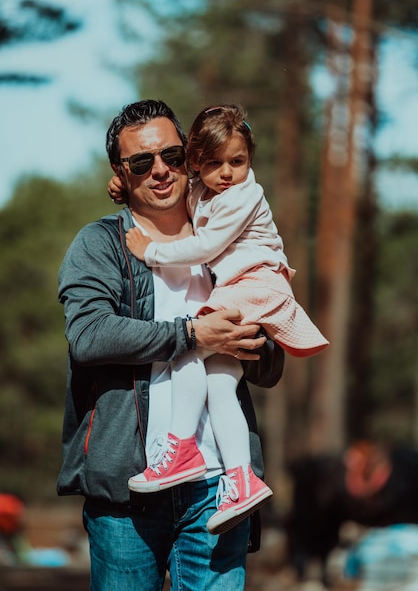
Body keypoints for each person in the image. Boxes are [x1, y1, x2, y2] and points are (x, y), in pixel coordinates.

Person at [58, 99, 285, 591]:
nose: (159, 170)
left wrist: (257, 341)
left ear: (191, 158)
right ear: (121, 172)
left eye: (172, 155)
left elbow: (269, 367)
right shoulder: (101, 244)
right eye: (141, 162)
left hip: (220, 490)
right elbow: (88, 336)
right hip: (128, 492)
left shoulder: (229, 235)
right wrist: (192, 334)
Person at [108, 103, 328, 535]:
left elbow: (206, 246)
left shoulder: (245, 195)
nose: (227, 173)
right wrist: (121, 186)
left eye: (238, 162)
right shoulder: (202, 191)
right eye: (213, 164)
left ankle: (182, 446)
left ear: (250, 159)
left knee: (188, 346)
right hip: (242, 288)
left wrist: (151, 252)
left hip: (254, 285)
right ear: (196, 164)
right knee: (219, 381)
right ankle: (241, 478)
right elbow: (165, 191)